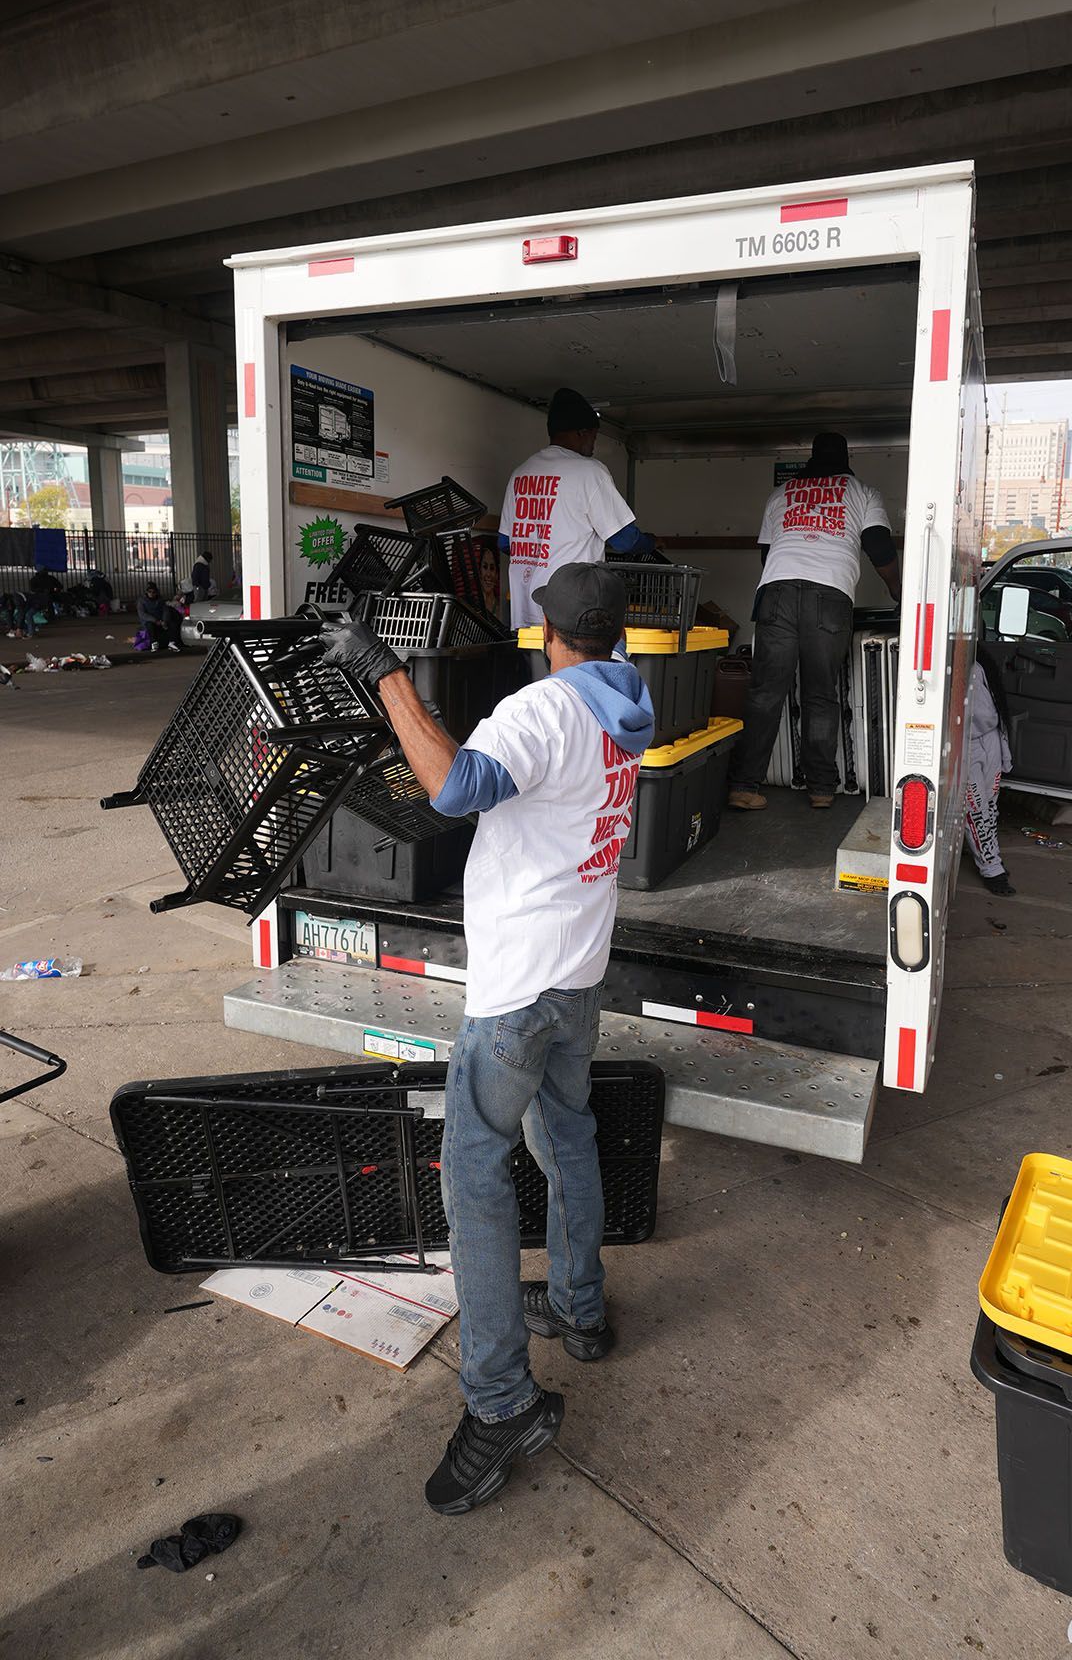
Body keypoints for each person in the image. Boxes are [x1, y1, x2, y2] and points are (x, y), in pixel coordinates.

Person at [310, 564, 655, 1514]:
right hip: (580, 974)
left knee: (473, 1171)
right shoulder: (631, 704)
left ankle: (500, 1401)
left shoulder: (539, 711)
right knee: (567, 1136)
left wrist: (385, 674)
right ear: (616, 636)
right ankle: (580, 1311)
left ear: (551, 636)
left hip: (514, 994)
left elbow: (453, 789)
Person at [728, 431, 901, 811]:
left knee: (765, 694)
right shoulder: (862, 492)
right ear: (845, 460)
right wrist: (897, 589)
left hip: (776, 592)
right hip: (830, 594)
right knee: (820, 694)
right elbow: (879, 546)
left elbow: (766, 552)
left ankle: (744, 784)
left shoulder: (781, 494)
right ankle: (821, 788)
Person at [499, 388, 652, 630]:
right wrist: (651, 543)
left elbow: (505, 543)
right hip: (574, 613)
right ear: (582, 432)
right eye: (594, 436)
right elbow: (624, 540)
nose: (593, 445)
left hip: (526, 612)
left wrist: (541, 557)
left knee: (538, 669)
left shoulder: (520, 474)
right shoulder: (589, 471)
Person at [964, 645, 1015, 895]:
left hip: (990, 739)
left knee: (990, 807)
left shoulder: (979, 660)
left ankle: (991, 857)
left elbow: (997, 706)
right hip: (965, 746)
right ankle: (991, 868)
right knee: (976, 812)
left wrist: (1003, 748)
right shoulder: (945, 666)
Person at [137, 582, 183, 653]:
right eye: (150, 592)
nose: (151, 594)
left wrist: (164, 621)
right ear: (146, 592)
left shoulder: (160, 600)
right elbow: (143, 615)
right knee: (149, 625)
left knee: (173, 624)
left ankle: (172, 642)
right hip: (150, 621)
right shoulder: (142, 601)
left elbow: (165, 611)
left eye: (153, 592)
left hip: (161, 621)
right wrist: (155, 621)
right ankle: (154, 643)